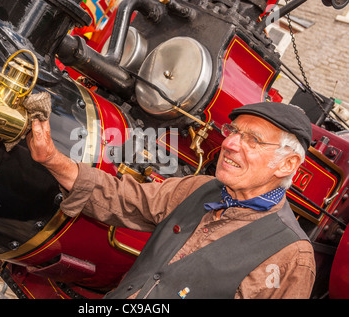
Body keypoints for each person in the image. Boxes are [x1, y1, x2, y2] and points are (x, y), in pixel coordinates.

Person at [26, 101, 316, 299]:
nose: (229, 143)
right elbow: (120, 198)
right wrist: (53, 159)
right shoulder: (198, 188)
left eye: (252, 139)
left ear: (287, 164)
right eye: (233, 132)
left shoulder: (291, 255)